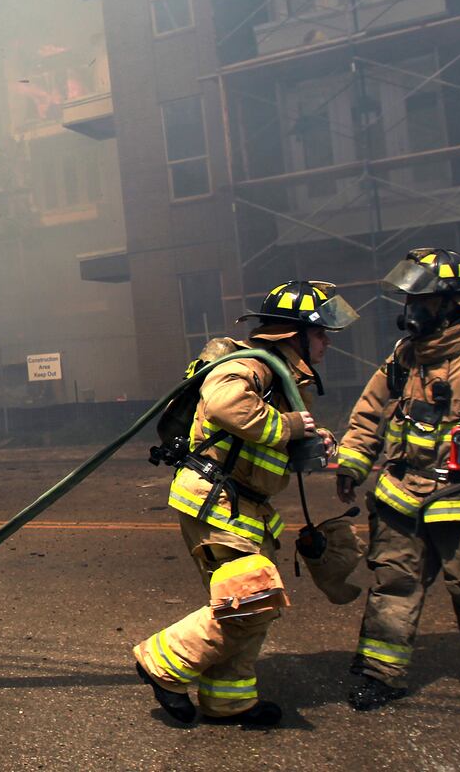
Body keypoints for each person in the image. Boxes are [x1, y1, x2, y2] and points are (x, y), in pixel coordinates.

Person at [134, 280, 357, 726]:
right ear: (294, 334)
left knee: (246, 604)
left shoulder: (283, 378)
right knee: (251, 599)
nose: (327, 343)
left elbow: (270, 435)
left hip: (245, 505)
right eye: (320, 334)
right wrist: (291, 426)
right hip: (216, 501)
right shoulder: (250, 364)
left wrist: (316, 439)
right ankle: (162, 664)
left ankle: (228, 701)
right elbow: (224, 406)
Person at [336, 248, 460, 710]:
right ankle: (379, 674)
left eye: (421, 301)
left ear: (453, 305)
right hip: (401, 496)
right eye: (410, 301)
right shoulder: (403, 360)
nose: (410, 311)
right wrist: (353, 463)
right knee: (393, 585)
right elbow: (367, 415)